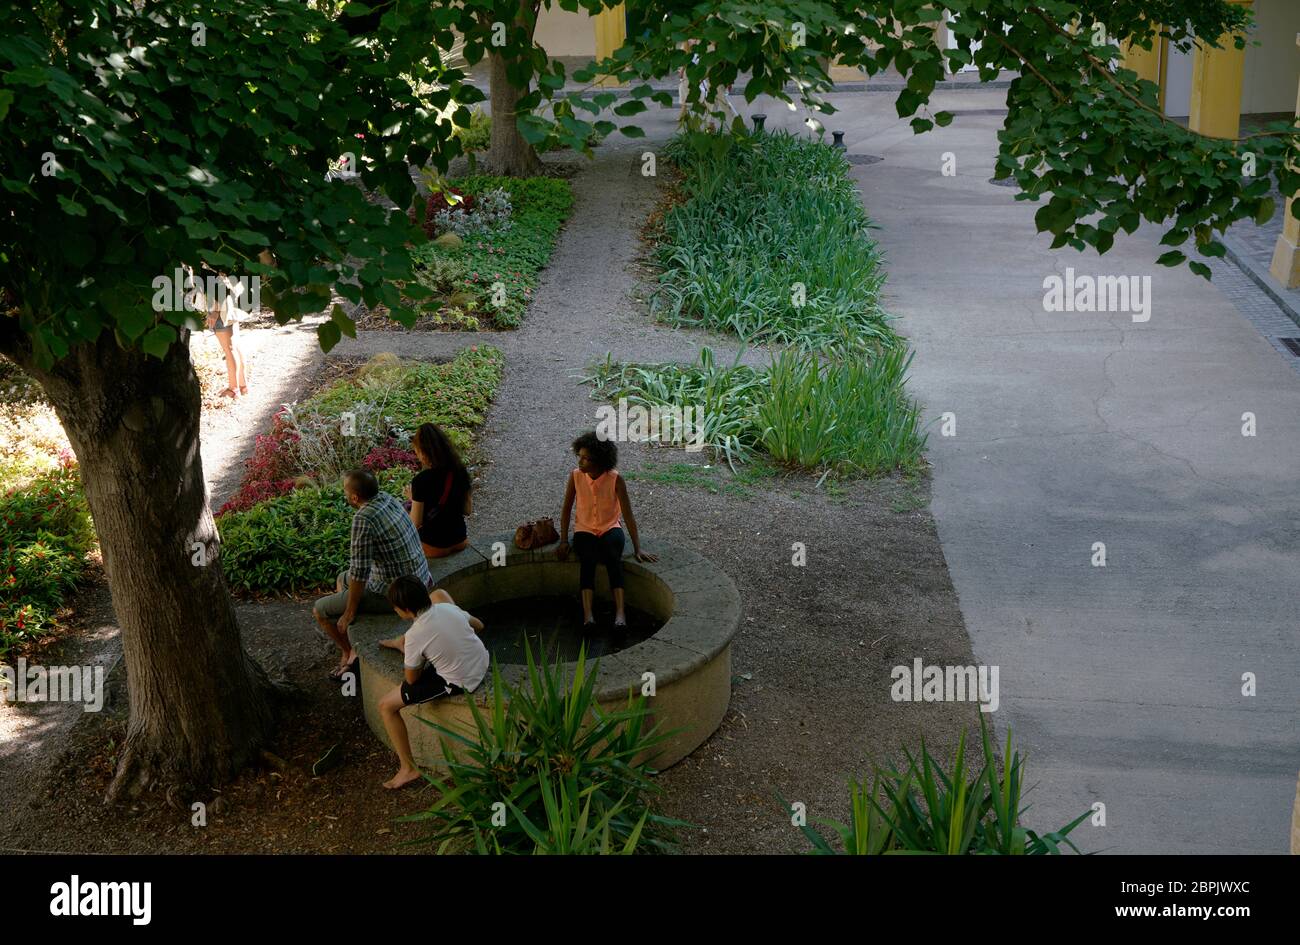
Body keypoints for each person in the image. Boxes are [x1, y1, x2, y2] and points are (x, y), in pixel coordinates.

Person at [313, 470, 433, 679]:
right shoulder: (386, 498)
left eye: (345, 491)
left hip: (397, 594)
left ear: (354, 498)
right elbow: (357, 573)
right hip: (420, 578)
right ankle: (354, 641)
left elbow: (360, 573)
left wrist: (349, 612)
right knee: (343, 578)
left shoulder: (363, 518)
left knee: (320, 610)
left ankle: (349, 652)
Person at [376, 577, 489, 790]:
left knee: (386, 706)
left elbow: (411, 680)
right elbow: (479, 626)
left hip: (461, 679)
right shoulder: (447, 608)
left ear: (405, 610)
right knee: (417, 643)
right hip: (482, 659)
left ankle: (408, 769)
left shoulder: (415, 635)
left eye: (395, 608)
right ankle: (402, 646)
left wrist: (415, 652)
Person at [556, 431, 657, 627]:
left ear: (600, 461)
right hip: (584, 529)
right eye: (580, 456)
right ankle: (588, 615)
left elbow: (627, 515)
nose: (581, 462)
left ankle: (620, 613)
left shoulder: (615, 479)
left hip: (610, 527)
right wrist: (563, 540)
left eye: (586, 459)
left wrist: (638, 548)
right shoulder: (576, 476)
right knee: (587, 560)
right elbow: (566, 509)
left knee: (613, 557)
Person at [404, 423, 471, 558]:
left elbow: (415, 524)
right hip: (460, 540)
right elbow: (467, 510)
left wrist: (411, 501)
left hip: (434, 546)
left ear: (423, 452)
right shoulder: (460, 471)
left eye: (416, 451)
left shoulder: (421, 480)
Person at [204, 272, 250, 399]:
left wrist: (215, 310)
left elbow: (219, 281)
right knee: (235, 346)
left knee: (229, 349)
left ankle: (233, 389)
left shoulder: (211, 261)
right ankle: (242, 385)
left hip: (220, 308)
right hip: (230, 305)